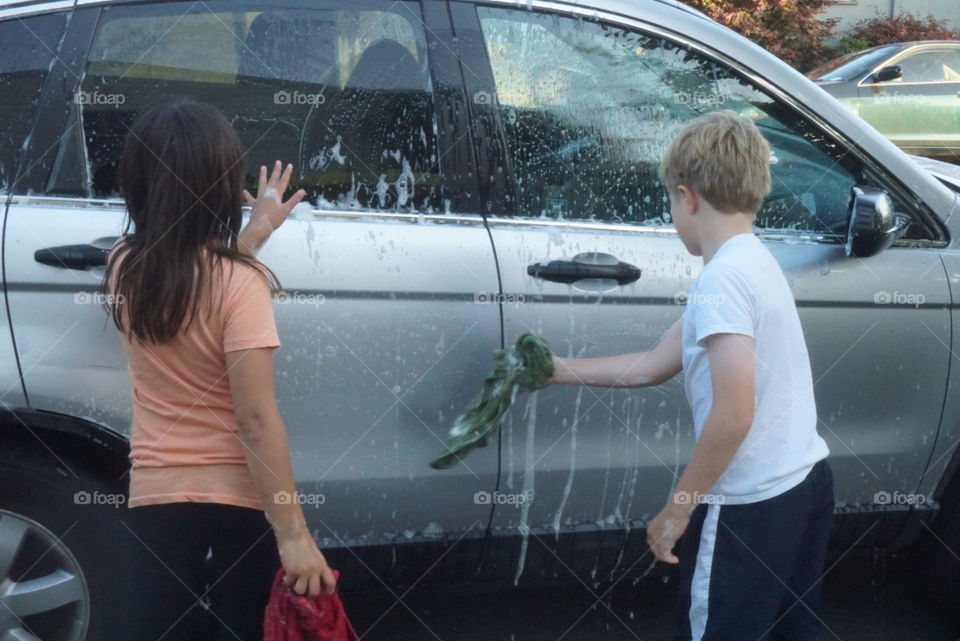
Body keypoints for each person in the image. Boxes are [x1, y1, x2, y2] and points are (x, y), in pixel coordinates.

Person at [548, 110, 833, 640]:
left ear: (688, 196)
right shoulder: (752, 260)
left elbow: (734, 412)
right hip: (804, 484)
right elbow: (655, 364)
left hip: (749, 506)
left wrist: (678, 510)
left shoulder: (720, 281)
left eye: (670, 203)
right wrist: (555, 370)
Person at [104, 98, 335, 641]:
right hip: (238, 504)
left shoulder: (123, 264)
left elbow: (188, 275)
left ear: (137, 182)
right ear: (221, 183)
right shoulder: (241, 284)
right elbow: (255, 422)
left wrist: (252, 239)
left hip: (156, 499)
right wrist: (295, 535)